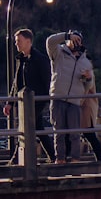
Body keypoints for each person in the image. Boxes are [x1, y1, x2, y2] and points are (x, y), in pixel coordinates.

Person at [4, 28, 56, 163]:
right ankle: (53, 156)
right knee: (38, 128)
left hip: (37, 100)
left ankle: (17, 159)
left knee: (26, 126)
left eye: (19, 41)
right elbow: (17, 82)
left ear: (28, 41)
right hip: (25, 101)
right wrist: (10, 102)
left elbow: (47, 80)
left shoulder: (40, 59)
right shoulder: (21, 59)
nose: (16, 44)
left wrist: (48, 100)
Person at [46, 30, 93, 163]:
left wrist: (88, 79)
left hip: (74, 100)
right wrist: (66, 35)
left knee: (75, 133)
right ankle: (60, 159)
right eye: (73, 39)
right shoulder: (58, 53)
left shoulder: (85, 61)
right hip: (58, 97)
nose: (76, 42)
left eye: (78, 40)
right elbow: (49, 41)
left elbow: (88, 86)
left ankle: (75, 159)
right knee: (58, 132)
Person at [79, 70, 101, 162]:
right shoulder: (87, 72)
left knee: (89, 133)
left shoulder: (87, 73)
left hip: (86, 106)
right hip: (86, 105)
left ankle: (100, 157)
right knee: (89, 134)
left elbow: (85, 89)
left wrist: (79, 101)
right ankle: (100, 157)